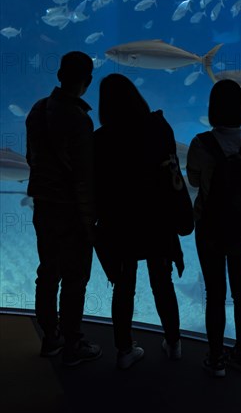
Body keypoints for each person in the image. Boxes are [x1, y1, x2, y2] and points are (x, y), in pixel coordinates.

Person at [93, 73, 184, 370]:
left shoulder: (101, 138)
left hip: (121, 224)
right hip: (157, 220)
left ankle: (124, 350)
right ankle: (173, 343)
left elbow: (98, 186)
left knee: (123, 286)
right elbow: (173, 173)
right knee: (163, 283)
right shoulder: (159, 127)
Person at [26, 51, 102, 366]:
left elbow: (32, 157)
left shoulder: (37, 110)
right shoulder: (79, 118)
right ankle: (73, 343)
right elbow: (85, 172)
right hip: (72, 210)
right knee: (74, 278)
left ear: (59, 76)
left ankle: (50, 338)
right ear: (87, 82)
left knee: (47, 272)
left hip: (44, 206)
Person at [186, 79, 241, 377]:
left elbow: (194, 182)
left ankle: (216, 358)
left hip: (210, 229)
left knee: (215, 293)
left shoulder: (199, 143)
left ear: (212, 109)